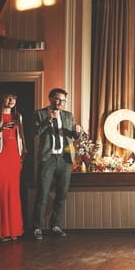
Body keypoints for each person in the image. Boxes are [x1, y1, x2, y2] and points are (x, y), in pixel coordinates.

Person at [32, 88, 81, 240]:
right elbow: (35, 133)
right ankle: (37, 227)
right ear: (50, 98)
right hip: (48, 158)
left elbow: (72, 136)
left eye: (63, 100)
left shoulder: (68, 115)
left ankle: (55, 225)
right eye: (57, 99)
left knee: (61, 194)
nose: (60, 103)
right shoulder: (39, 113)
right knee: (42, 194)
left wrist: (77, 132)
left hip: (64, 159)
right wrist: (48, 120)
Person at [0, 93, 27, 242]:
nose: (11, 101)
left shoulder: (18, 117)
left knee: (13, 191)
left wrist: (21, 156)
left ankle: (13, 229)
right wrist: (0, 128)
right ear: (1, 99)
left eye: (14, 98)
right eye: (8, 98)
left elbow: (20, 137)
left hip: (14, 156)